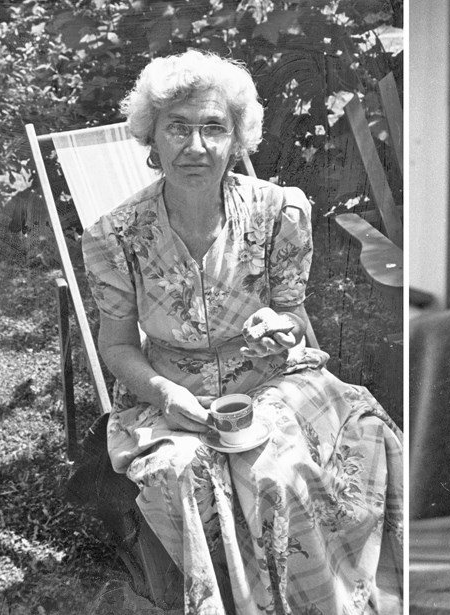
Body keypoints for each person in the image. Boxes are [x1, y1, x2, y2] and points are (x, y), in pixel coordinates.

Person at [82, 49, 403, 614]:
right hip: (173, 392)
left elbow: (296, 324)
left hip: (275, 381)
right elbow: (117, 343)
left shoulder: (279, 212)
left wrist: (281, 328)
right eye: (177, 128)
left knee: (279, 473)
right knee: (180, 473)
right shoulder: (116, 237)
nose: (196, 146)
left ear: (237, 139)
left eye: (214, 128)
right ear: (151, 138)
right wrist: (165, 393)